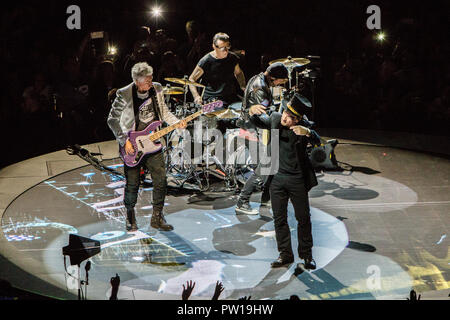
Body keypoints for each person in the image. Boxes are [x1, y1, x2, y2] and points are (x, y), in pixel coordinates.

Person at [107, 62, 186, 232]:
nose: (151, 82)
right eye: (147, 80)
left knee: (161, 180)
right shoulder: (124, 93)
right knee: (133, 184)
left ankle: (157, 216)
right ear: (137, 81)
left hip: (153, 144)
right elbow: (112, 120)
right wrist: (124, 140)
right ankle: (130, 216)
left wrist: (176, 122)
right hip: (133, 146)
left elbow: (164, 112)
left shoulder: (156, 88)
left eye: (151, 78)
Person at [249, 93, 321, 270]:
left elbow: (319, 141)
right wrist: (251, 110)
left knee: (303, 218)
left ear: (296, 120)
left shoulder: (303, 128)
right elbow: (256, 120)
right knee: (279, 219)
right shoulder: (275, 119)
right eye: (285, 113)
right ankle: (285, 254)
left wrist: (309, 133)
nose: (284, 117)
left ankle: (306, 255)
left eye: (289, 117)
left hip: (297, 180)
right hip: (276, 180)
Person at [235, 62, 289, 215]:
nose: (281, 84)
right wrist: (280, 120)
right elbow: (262, 117)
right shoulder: (260, 89)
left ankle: (266, 199)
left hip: (253, 129)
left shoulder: (259, 78)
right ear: (273, 77)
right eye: (281, 81)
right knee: (263, 168)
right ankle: (242, 201)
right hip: (252, 131)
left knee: (271, 166)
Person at [188, 32, 246, 107]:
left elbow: (238, 73)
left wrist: (243, 86)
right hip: (212, 99)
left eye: (227, 46)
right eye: (222, 48)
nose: (225, 50)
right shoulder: (206, 61)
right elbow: (191, 79)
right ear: (214, 47)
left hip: (230, 97)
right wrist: (196, 96)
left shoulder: (232, 58)